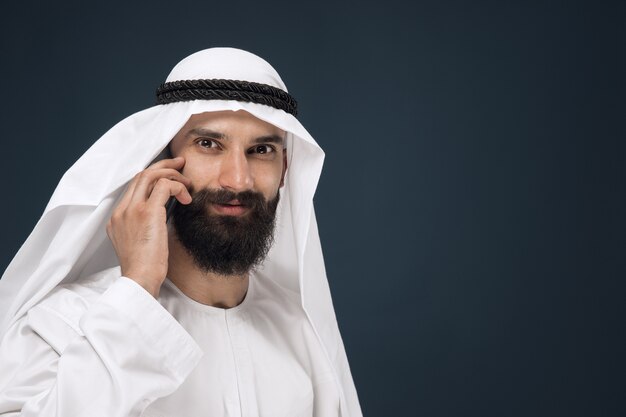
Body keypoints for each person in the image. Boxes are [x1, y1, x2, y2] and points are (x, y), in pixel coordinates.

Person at [0, 48, 361, 417]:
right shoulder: (61, 322)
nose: (238, 179)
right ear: (162, 161)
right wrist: (138, 288)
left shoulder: (304, 335)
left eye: (261, 149)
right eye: (209, 144)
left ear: (284, 170)